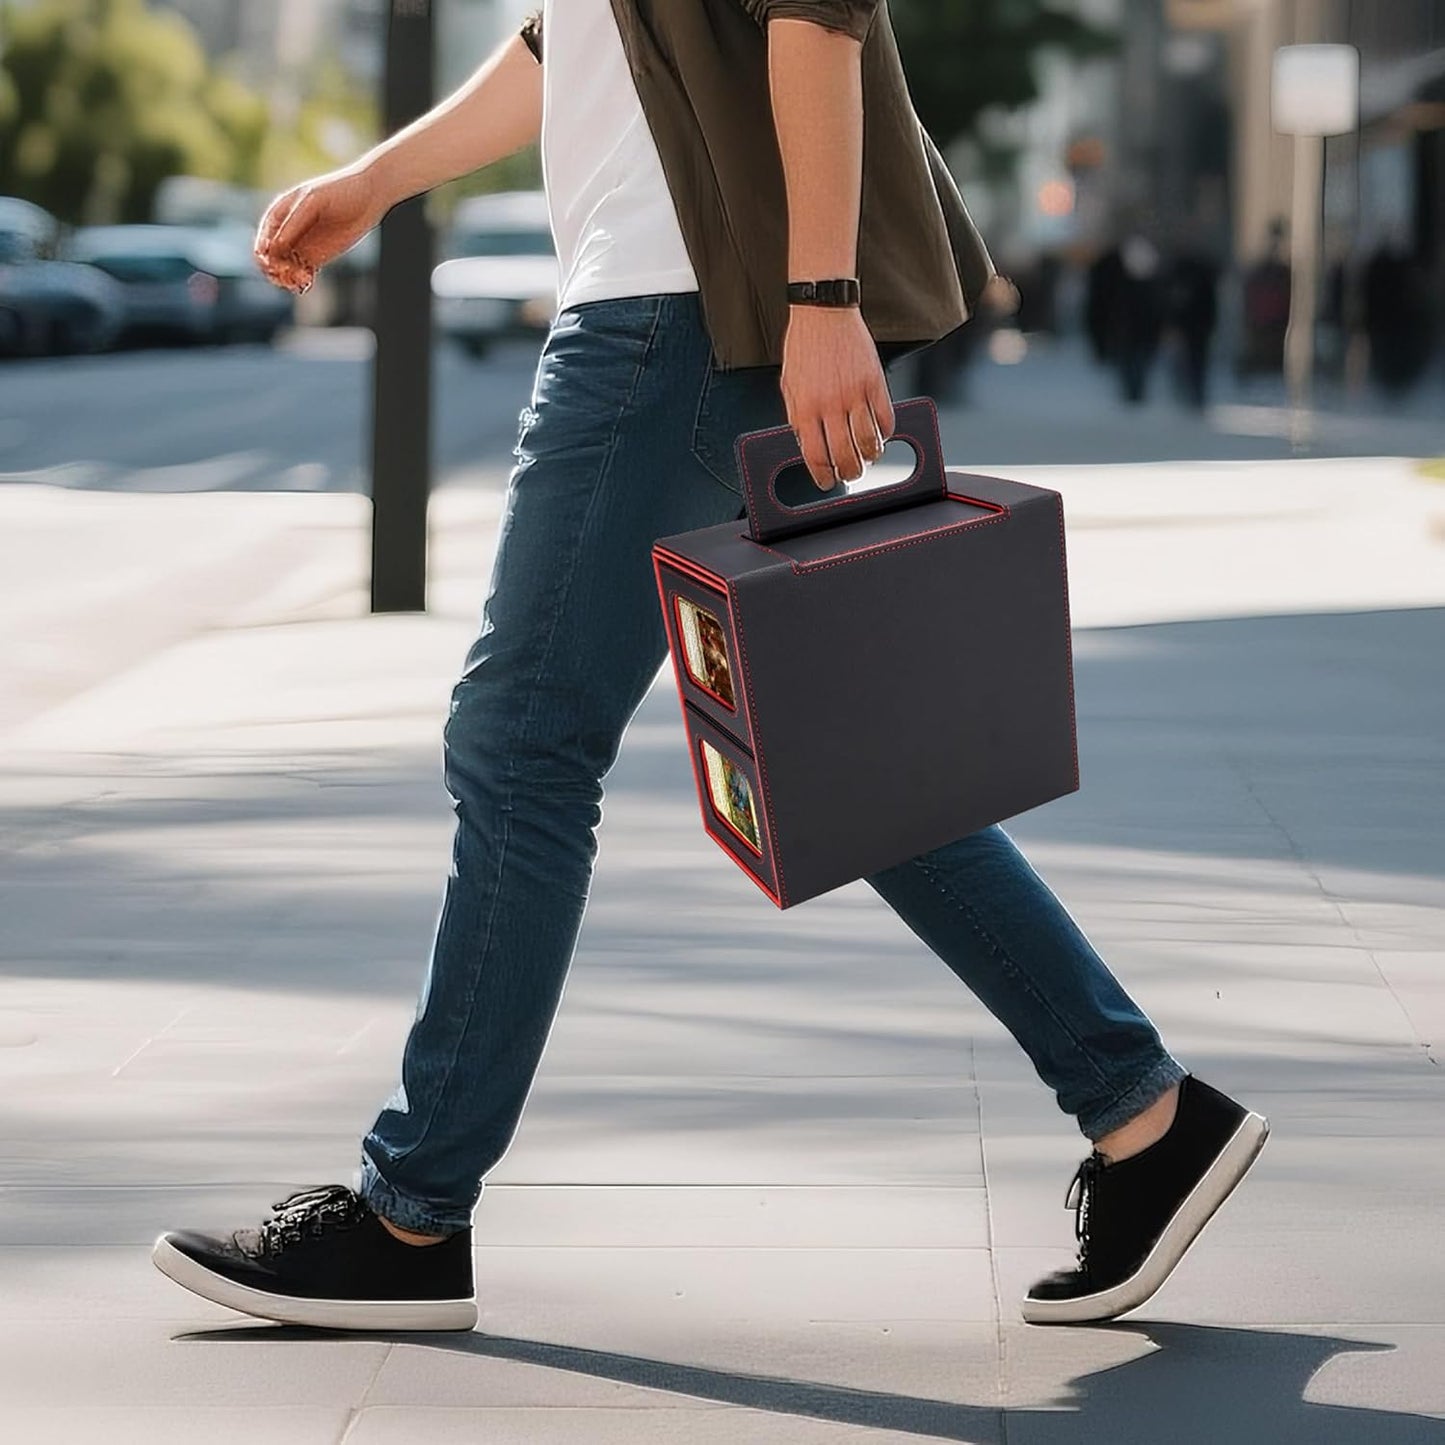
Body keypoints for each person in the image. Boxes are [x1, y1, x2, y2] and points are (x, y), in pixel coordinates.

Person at [152, 0, 1267, 1334]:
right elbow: (566, 44)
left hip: (671, 313)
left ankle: (409, 1210)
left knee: (521, 742)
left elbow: (814, 15)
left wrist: (821, 297)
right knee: (832, 751)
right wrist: (374, 181)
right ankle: (1144, 1114)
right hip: (669, 304)